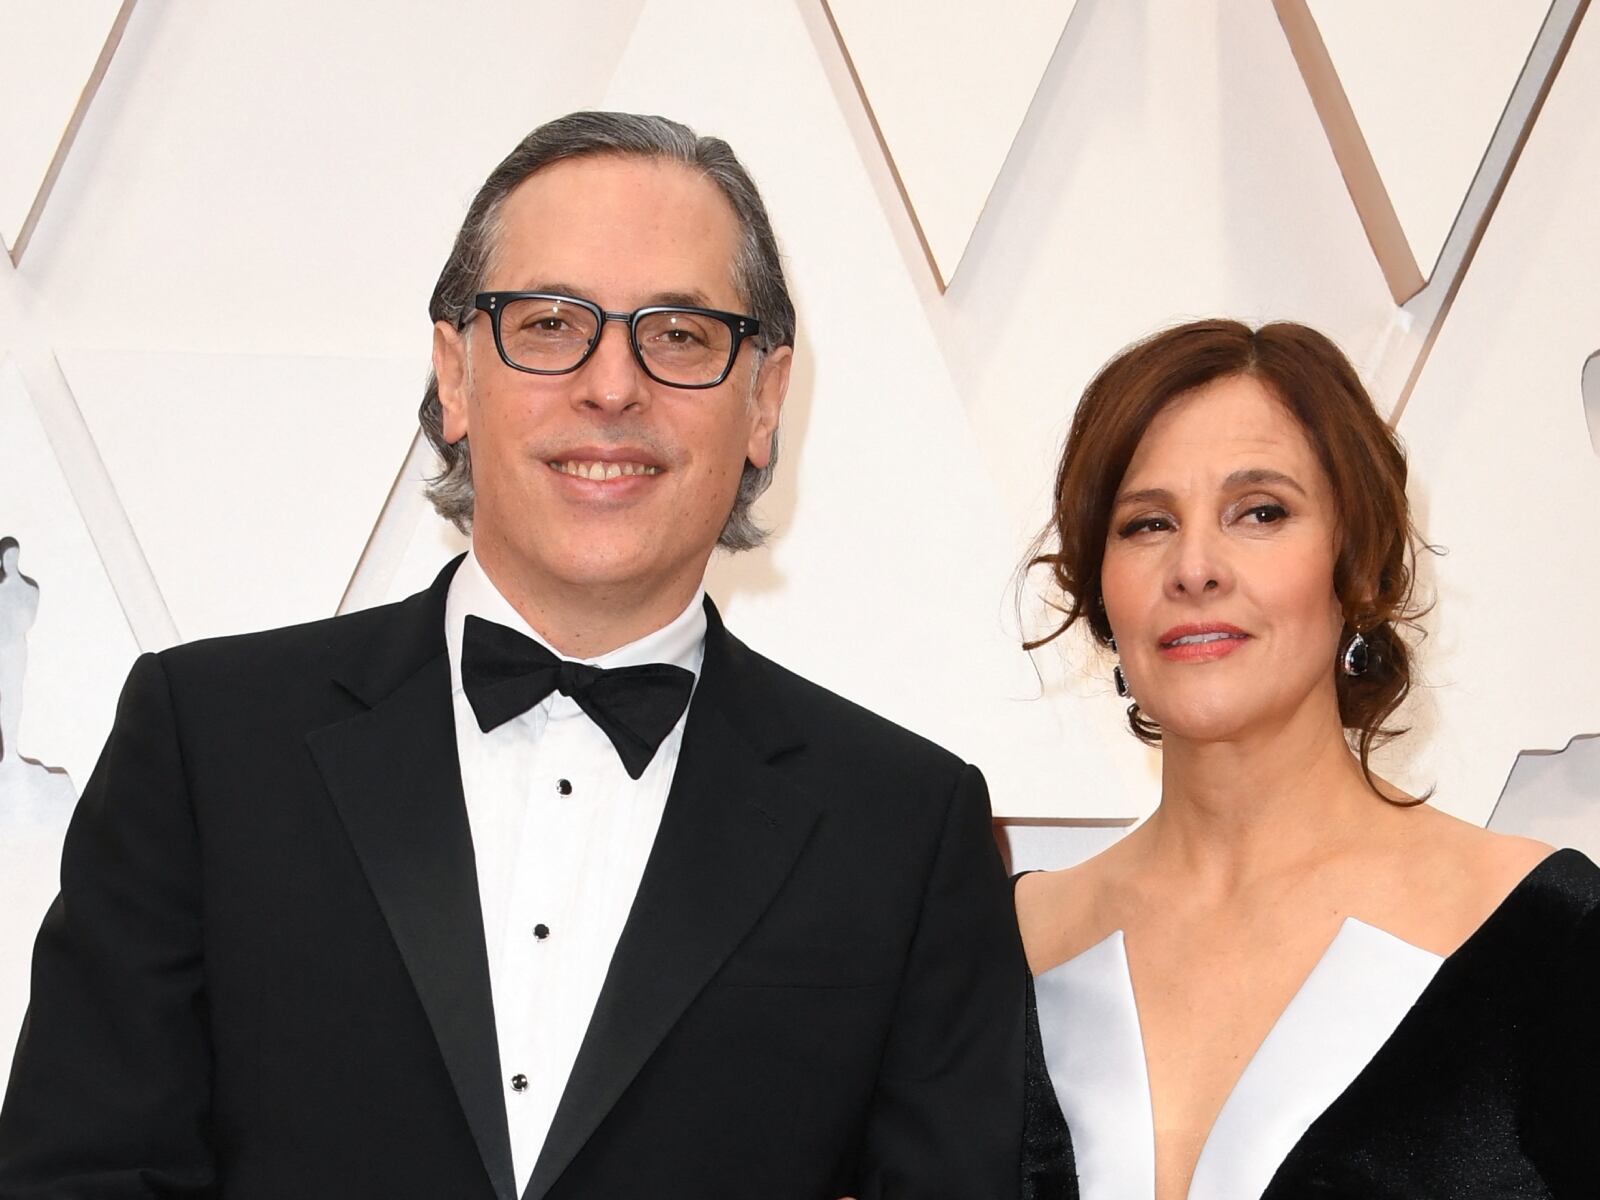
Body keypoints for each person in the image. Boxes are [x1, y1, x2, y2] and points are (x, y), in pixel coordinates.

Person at [0, 112, 1026, 1200]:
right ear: (454, 372)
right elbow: (81, 1177)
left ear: (763, 399)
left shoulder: (906, 828)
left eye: (679, 333)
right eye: (549, 323)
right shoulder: (207, 741)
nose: (613, 388)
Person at [1014, 319, 1599, 1199]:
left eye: (1262, 512)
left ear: (1356, 566)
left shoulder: (1550, 939)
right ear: (1102, 591)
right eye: (1147, 523)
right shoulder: (1000, 948)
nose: (1195, 566)